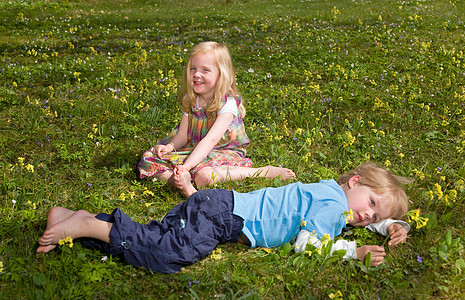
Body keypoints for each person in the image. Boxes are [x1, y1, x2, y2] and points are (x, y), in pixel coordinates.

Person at [36, 162, 410, 274]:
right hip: (224, 219)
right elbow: (308, 243)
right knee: (169, 256)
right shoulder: (331, 209)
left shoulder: (332, 191)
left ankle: (75, 219)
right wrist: (352, 252)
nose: (366, 215)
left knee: (160, 236)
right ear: (356, 182)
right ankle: (93, 226)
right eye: (373, 203)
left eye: (374, 215)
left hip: (217, 204)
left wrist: (390, 226)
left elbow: (352, 213)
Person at [137, 41, 295, 196]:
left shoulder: (227, 103)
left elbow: (210, 141)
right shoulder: (190, 100)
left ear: (221, 75)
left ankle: (262, 172)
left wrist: (186, 166)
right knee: (148, 158)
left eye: (205, 70)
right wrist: (170, 147)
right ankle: (181, 181)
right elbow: (182, 135)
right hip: (196, 151)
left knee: (205, 176)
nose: (197, 74)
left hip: (224, 152)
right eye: (193, 69)